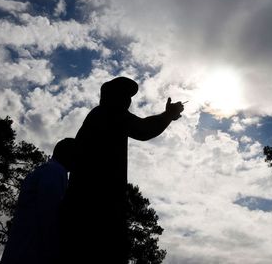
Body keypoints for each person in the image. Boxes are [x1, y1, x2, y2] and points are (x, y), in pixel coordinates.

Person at [60, 77, 184, 263]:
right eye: (125, 96)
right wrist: (169, 115)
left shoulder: (100, 116)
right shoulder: (109, 114)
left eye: (129, 97)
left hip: (88, 207)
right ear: (112, 97)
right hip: (97, 209)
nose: (128, 101)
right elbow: (143, 129)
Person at [1, 138, 75, 264]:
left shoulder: (48, 170)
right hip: (30, 252)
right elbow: (49, 211)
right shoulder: (55, 171)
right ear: (68, 154)